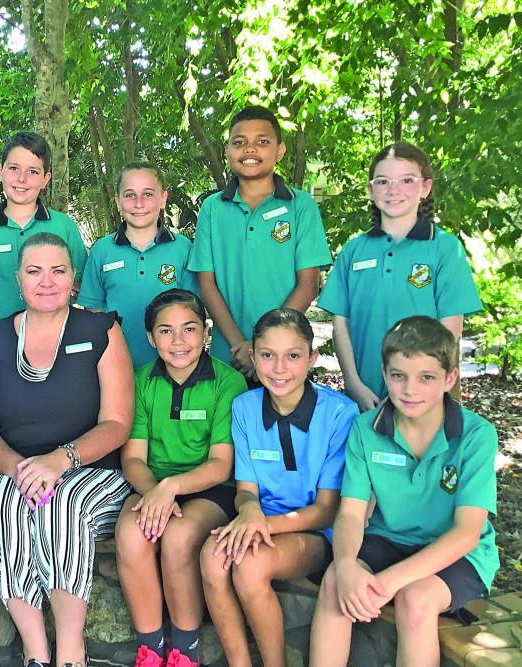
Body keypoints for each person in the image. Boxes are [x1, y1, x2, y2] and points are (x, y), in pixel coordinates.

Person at [0, 232, 134, 667]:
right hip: (15, 467)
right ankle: (37, 652)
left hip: (89, 467)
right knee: (2, 508)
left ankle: (70, 653)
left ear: (73, 278)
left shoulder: (100, 330)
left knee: (62, 509)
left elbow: (117, 422)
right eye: (35, 271)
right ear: (18, 278)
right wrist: (21, 468)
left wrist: (60, 461)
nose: (47, 281)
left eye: (58, 271)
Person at [309, 316, 498, 667]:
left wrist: (385, 584)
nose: (410, 390)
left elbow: (467, 533)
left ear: (450, 378)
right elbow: (351, 512)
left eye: (426, 377)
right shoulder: (366, 429)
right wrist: (347, 564)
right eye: (399, 376)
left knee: (415, 600)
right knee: (337, 582)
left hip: (454, 553)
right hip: (390, 537)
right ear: (384, 374)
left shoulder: (476, 435)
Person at [200, 308, 358, 667]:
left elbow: (327, 510)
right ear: (253, 357)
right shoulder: (244, 407)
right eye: (268, 355)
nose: (280, 368)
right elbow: (245, 489)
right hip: (259, 521)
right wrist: (250, 509)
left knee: (250, 567)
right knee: (212, 558)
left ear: (312, 358)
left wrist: (259, 524)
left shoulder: (339, 414)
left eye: (293, 356)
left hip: (316, 532)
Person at [115, 289, 247, 667]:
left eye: (189, 329)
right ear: (150, 338)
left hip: (210, 490)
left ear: (206, 332)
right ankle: (151, 649)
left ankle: (184, 652)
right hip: (152, 485)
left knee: (179, 536)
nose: (178, 341)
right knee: (130, 534)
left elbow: (222, 465)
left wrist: (171, 489)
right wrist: (157, 492)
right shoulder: (140, 382)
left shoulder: (227, 382)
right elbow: (134, 458)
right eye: (166, 331)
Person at [318, 142, 482, 411]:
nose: (393, 190)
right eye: (383, 181)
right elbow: (340, 324)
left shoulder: (445, 248)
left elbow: (450, 331)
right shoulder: (353, 251)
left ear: (425, 188)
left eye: (407, 180)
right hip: (364, 395)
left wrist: (413, 391)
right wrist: (353, 383)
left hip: (423, 397)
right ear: (371, 191)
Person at [187, 106, 332, 383]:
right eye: (239, 142)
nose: (250, 149)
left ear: (280, 150)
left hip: (284, 354)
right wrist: (242, 345)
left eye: (262, 142)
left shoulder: (301, 206)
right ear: (228, 151)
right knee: (228, 424)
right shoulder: (212, 209)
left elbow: (308, 284)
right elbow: (206, 284)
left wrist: (262, 347)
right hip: (229, 354)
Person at [78, 162, 196, 370]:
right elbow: (93, 312)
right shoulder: (102, 250)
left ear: (163, 199)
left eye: (148, 194)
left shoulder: (182, 248)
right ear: (118, 201)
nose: (139, 203)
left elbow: (193, 310)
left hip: (173, 367)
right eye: (130, 195)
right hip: (116, 365)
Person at [0, 131, 86, 324]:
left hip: (55, 330)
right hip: (0, 331)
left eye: (33, 171)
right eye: (14, 168)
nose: (21, 178)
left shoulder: (63, 225)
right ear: (0, 171)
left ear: (45, 179)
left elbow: (78, 281)